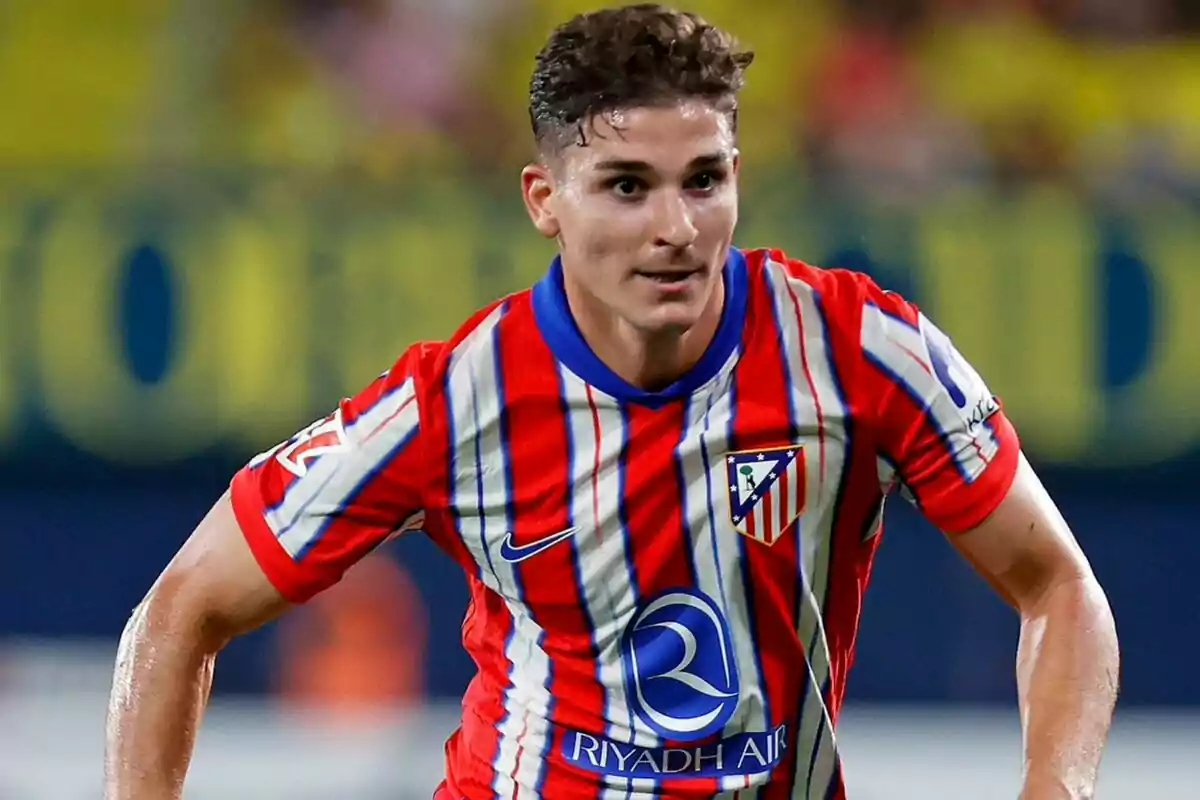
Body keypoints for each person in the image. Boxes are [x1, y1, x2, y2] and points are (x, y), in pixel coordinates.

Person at [104, 5, 1119, 799]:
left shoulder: (858, 350)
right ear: (546, 200)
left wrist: (1056, 781)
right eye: (627, 186)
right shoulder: (458, 400)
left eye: (703, 179)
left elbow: (1061, 588)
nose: (676, 226)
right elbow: (178, 609)